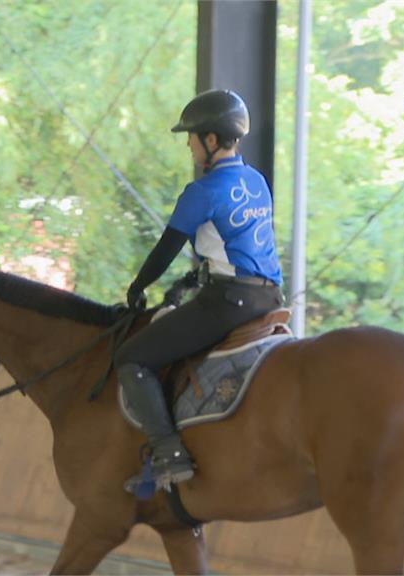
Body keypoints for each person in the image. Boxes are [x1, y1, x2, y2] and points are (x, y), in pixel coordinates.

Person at [116, 89, 284, 494]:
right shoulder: (256, 180)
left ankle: (169, 452)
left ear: (210, 140)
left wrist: (139, 287)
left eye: (191, 137)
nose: (188, 144)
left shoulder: (203, 192)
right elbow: (235, 247)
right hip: (270, 296)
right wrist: (189, 282)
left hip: (229, 302)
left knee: (132, 357)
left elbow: (165, 251)